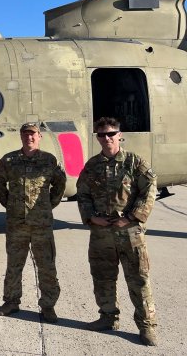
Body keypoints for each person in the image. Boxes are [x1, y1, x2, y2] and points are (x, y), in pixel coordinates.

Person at [76, 117, 158, 346]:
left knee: (138, 280)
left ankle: (147, 327)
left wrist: (132, 217)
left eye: (111, 134)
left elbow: (149, 189)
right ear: (97, 137)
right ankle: (107, 318)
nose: (107, 138)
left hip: (130, 233)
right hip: (101, 235)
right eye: (102, 135)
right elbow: (82, 194)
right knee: (103, 278)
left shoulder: (133, 162)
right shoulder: (92, 166)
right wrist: (92, 217)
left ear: (119, 135)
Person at [0, 123, 66, 322]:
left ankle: (48, 305)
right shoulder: (9, 160)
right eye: (25, 134)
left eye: (33, 134)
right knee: (14, 265)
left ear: (39, 136)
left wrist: (48, 204)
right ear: (21, 136)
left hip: (41, 224)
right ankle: (11, 301)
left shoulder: (49, 161)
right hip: (17, 224)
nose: (29, 138)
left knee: (46, 266)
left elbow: (60, 183)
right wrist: (9, 204)